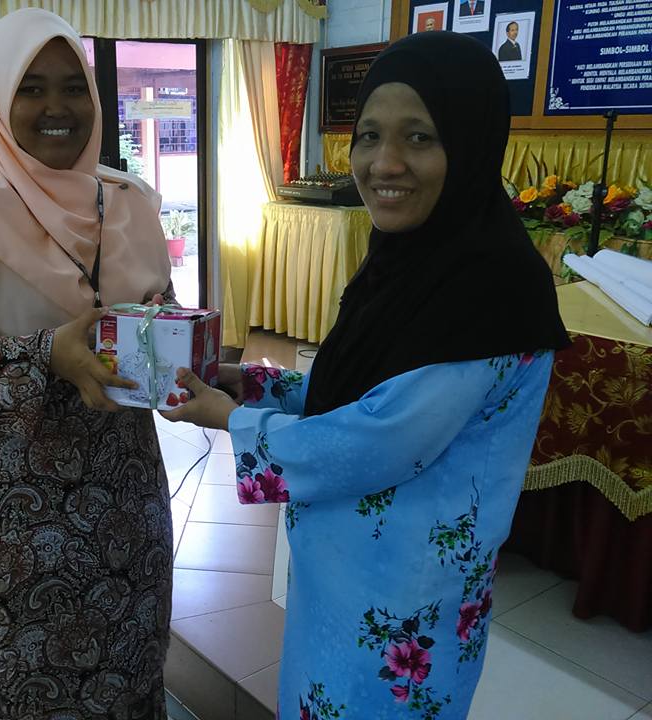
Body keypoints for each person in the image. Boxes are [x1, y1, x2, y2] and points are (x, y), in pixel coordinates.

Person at [163, 31, 569, 719]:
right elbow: (358, 388)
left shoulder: (492, 291)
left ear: (471, 144)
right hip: (344, 584)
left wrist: (233, 421)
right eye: (370, 136)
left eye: (419, 138)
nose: (386, 163)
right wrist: (254, 384)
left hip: (407, 605)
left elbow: (380, 438)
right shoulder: (409, 262)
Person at [0, 8, 175, 720]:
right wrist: (46, 353)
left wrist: (182, 350)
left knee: (127, 677)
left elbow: (156, 312)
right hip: (3, 519)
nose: (58, 107)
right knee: (13, 690)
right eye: (32, 88)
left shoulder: (130, 203)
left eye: (73, 87)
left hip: (123, 502)